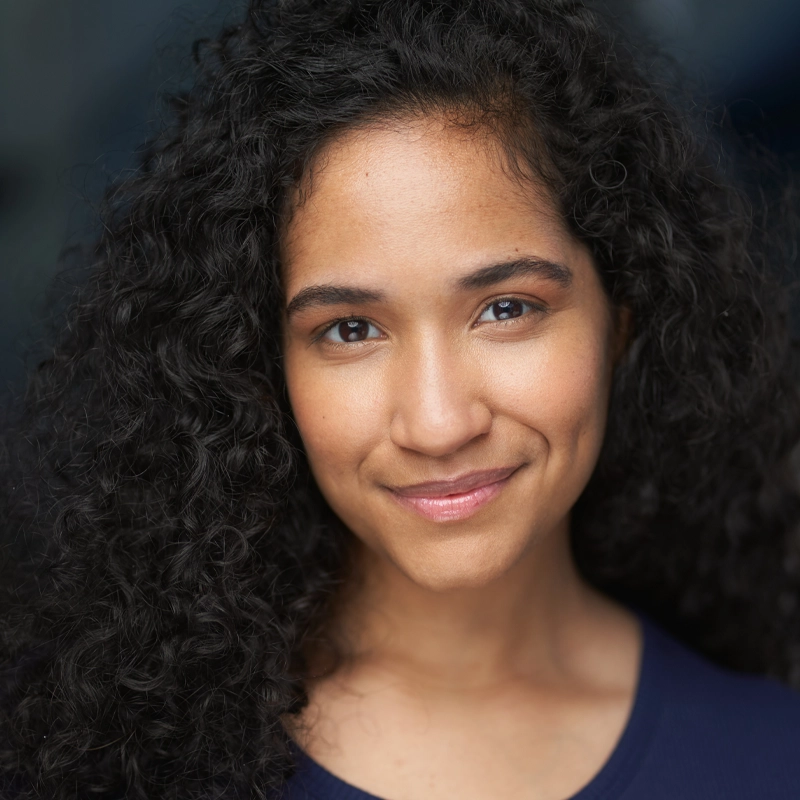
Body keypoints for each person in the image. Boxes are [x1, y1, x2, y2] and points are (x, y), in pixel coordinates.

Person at [2, 0, 800, 797]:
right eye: (351, 329)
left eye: (506, 309)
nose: (439, 423)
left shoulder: (769, 758)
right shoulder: (113, 763)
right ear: (258, 367)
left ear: (620, 320)